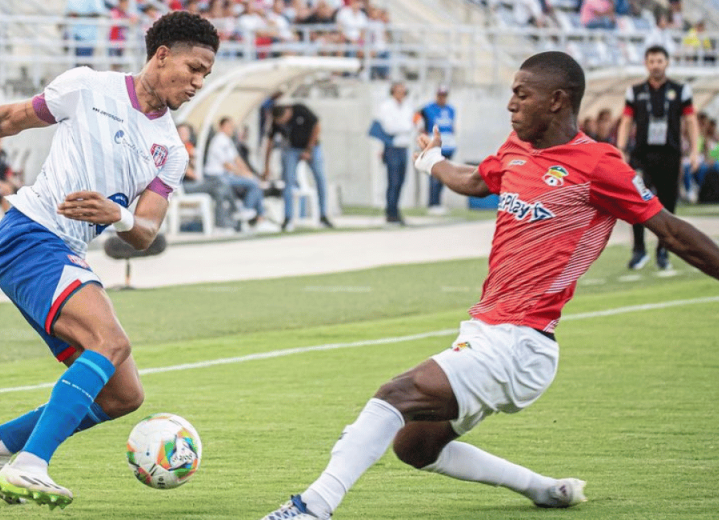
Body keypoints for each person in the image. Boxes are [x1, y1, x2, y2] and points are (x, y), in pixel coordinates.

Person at [260, 50, 719, 520]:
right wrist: (432, 161)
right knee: (414, 447)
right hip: (486, 332)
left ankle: (311, 508)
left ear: (557, 100)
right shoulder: (515, 151)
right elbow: (477, 181)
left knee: (395, 395)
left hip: (523, 343)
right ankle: (544, 490)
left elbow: (670, 229)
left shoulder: (598, 164)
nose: (511, 104)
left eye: (522, 94)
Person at [0, 11, 218, 509]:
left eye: (207, 74)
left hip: (62, 252)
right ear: (161, 56)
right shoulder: (87, 87)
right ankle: (31, 465)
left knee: (125, 396)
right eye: (194, 67)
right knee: (110, 340)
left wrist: (116, 214)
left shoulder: (170, 150)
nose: (198, 82)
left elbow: (144, 233)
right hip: (29, 234)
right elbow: (5, 120)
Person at [617, 45, 699, 270]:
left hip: (670, 154)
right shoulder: (634, 91)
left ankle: (663, 252)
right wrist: (621, 149)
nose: (655, 65)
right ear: (646, 64)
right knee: (636, 203)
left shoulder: (681, 90)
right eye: (651, 61)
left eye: (659, 61)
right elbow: (626, 121)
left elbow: (691, 121)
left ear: (667, 62)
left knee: (667, 206)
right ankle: (639, 251)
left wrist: (693, 151)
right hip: (641, 156)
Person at [264, 103, 333, 231]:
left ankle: (323, 215)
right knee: (288, 181)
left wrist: (309, 149)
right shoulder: (275, 122)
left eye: (283, 121)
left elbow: (317, 126)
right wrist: (266, 166)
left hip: (312, 147)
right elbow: (269, 143)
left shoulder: (300, 110)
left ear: (287, 113)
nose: (282, 124)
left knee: (320, 179)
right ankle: (287, 218)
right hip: (292, 149)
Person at [204, 116, 267, 228]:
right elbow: (227, 165)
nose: (232, 129)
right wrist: (245, 175)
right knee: (254, 183)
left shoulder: (227, 141)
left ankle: (252, 214)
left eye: (232, 127)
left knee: (254, 181)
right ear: (221, 127)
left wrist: (249, 173)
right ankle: (251, 213)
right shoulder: (218, 141)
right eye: (229, 126)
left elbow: (237, 160)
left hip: (226, 176)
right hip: (217, 177)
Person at [376, 82, 414, 225]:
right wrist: (404, 127)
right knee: (393, 181)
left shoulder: (407, 106)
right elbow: (389, 127)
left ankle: (396, 210)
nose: (401, 94)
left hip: (403, 146)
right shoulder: (386, 106)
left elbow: (411, 125)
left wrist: (404, 127)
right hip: (392, 146)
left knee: (401, 181)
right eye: (398, 91)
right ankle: (390, 213)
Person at [416, 84, 456, 215]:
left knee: (444, 176)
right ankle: (432, 203)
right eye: (440, 95)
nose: (442, 98)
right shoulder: (428, 108)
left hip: (448, 145)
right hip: (435, 146)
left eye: (444, 96)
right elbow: (416, 116)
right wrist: (421, 131)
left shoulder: (451, 110)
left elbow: (451, 126)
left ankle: (438, 203)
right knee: (434, 176)